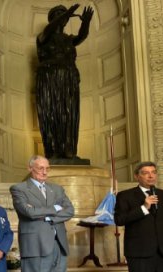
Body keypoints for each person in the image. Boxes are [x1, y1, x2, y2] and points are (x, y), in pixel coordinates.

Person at [10, 155, 77, 272]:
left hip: (59, 244)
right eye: (40, 168)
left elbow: (70, 210)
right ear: (30, 168)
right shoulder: (19, 189)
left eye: (47, 168)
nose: (45, 172)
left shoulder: (57, 189)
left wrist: (47, 215)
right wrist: (54, 209)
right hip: (36, 245)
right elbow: (28, 212)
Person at [36, 4, 94, 161]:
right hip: (50, 77)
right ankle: (53, 151)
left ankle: (69, 150)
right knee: (52, 112)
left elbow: (81, 36)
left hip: (68, 78)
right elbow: (49, 29)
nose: (64, 18)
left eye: (65, 15)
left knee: (69, 113)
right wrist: (67, 13)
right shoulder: (43, 36)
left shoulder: (69, 40)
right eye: (59, 15)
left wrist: (86, 21)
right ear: (53, 18)